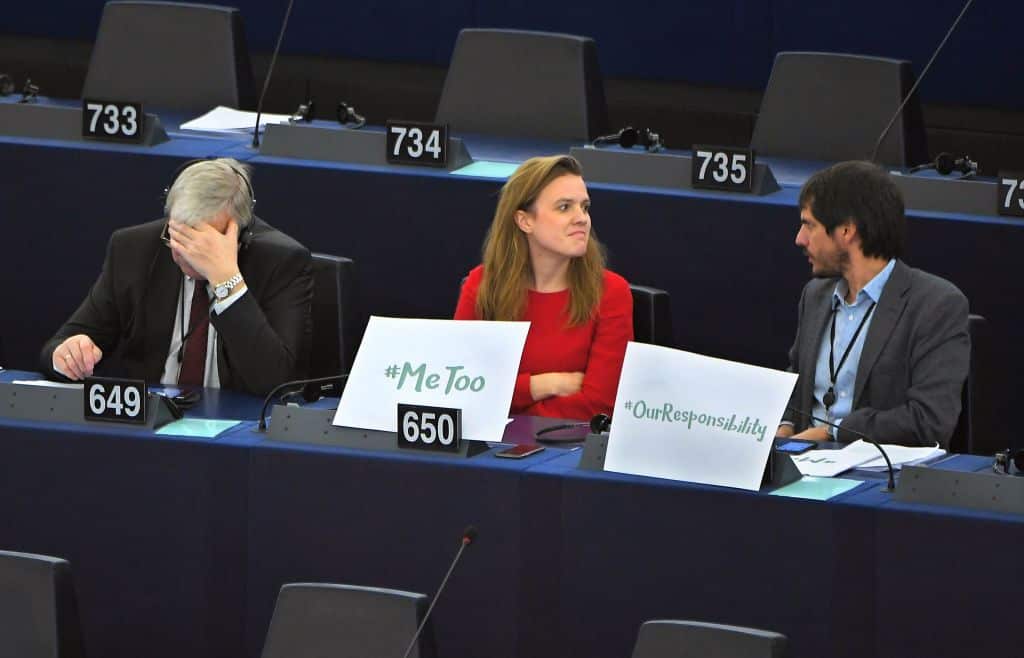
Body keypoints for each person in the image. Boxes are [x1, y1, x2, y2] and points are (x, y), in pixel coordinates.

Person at [40, 158, 313, 396]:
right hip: (150, 427)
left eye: (203, 242)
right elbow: (57, 346)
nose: (186, 251)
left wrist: (227, 280)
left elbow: (275, 381)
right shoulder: (134, 248)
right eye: (178, 236)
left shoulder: (281, 263)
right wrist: (67, 355)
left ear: (239, 234)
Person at [777, 160, 969, 448]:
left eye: (809, 225)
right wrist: (784, 425)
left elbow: (929, 421)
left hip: (877, 476)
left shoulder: (936, 305)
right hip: (800, 467)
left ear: (846, 231)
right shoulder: (815, 295)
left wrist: (835, 431)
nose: (799, 239)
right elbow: (796, 385)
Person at [454, 155, 633, 420]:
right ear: (525, 221)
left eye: (584, 207)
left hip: (567, 450)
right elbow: (458, 385)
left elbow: (598, 405)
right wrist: (545, 385)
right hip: (489, 448)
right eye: (564, 207)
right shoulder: (482, 285)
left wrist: (509, 408)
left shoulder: (611, 293)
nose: (581, 218)